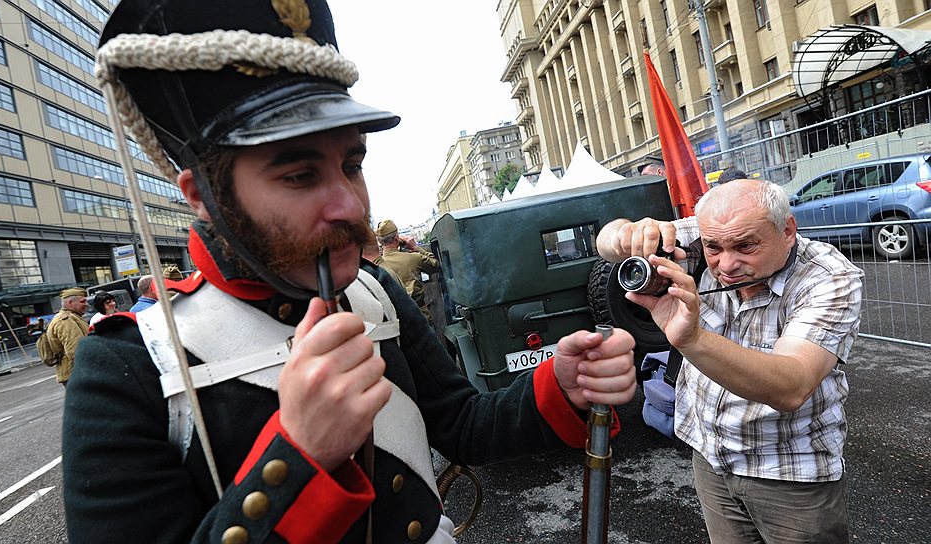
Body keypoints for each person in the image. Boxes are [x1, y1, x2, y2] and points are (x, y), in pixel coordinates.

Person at [62, 1, 637, 542]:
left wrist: (559, 385)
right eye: (299, 175)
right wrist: (298, 457)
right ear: (203, 197)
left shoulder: (375, 291)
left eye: (352, 163)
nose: (350, 204)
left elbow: (461, 425)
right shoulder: (128, 370)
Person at [596, 179, 863, 543]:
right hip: (711, 458)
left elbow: (791, 386)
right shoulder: (710, 233)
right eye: (713, 248)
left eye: (745, 246)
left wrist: (692, 339)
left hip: (789, 472)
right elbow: (606, 242)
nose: (727, 264)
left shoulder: (828, 278)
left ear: (787, 230)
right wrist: (628, 234)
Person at [376, 219, 439, 321]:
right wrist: (415, 247)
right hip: (421, 318)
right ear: (397, 238)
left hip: (397, 322)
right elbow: (436, 264)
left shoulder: (377, 265)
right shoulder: (413, 258)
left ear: (380, 242)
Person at [50, 287, 89, 386]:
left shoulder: (72, 317)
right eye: (82, 301)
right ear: (70, 302)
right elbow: (76, 350)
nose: (86, 304)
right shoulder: (65, 320)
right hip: (78, 374)